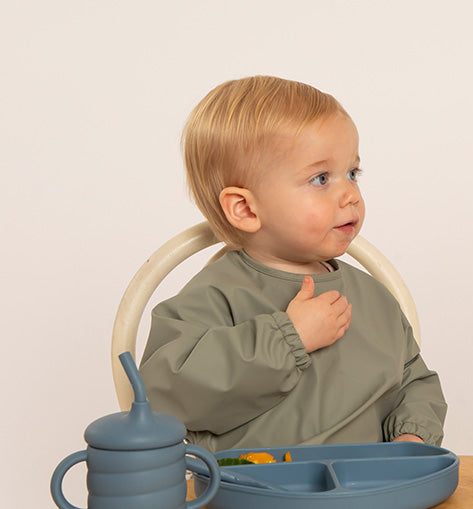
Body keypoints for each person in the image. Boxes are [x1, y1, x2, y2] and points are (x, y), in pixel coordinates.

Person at [140, 76, 447, 452]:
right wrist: (287, 339)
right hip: (256, 491)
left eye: (352, 173)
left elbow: (414, 381)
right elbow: (164, 395)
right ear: (246, 209)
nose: (350, 194)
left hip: (369, 486)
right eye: (321, 179)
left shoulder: (373, 297)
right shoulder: (217, 295)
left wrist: (411, 434)